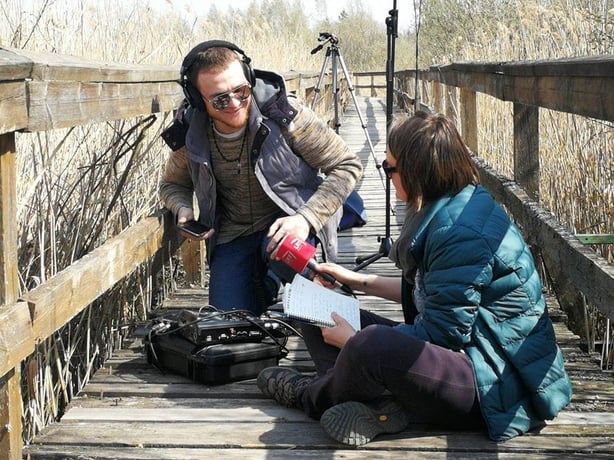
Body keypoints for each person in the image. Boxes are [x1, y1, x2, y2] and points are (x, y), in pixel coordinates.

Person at [257, 111, 572, 446]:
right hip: (470, 354)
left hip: (493, 384)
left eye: (390, 168)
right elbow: (427, 294)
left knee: (369, 344)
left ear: (416, 172)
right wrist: (355, 280)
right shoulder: (447, 205)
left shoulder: (459, 233)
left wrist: (352, 341)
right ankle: (385, 404)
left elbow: (442, 335)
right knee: (317, 312)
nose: (387, 174)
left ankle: (310, 394)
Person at [159, 40, 362, 315]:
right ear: (198, 100)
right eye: (220, 99)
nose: (234, 103)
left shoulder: (284, 115)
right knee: (228, 321)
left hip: (290, 223)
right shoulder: (190, 135)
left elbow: (347, 165)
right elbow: (172, 184)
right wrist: (181, 207)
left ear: (249, 80)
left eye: (241, 91)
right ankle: (263, 289)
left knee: (312, 294)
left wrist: (305, 218)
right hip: (232, 235)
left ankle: (299, 291)